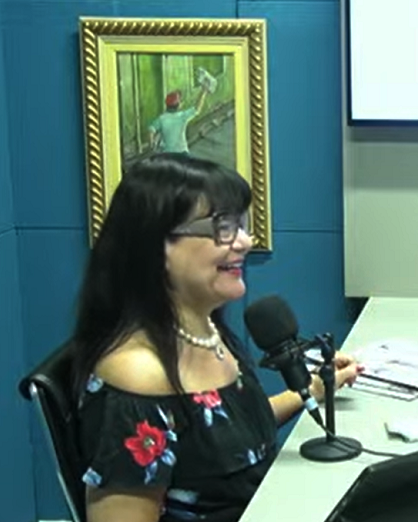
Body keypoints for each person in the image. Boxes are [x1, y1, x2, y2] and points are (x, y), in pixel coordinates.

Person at [70, 153, 362, 522]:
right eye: (224, 227)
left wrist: (316, 388)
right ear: (157, 246)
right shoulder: (138, 378)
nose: (245, 241)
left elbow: (223, 440)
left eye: (241, 224)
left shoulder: (206, 331)